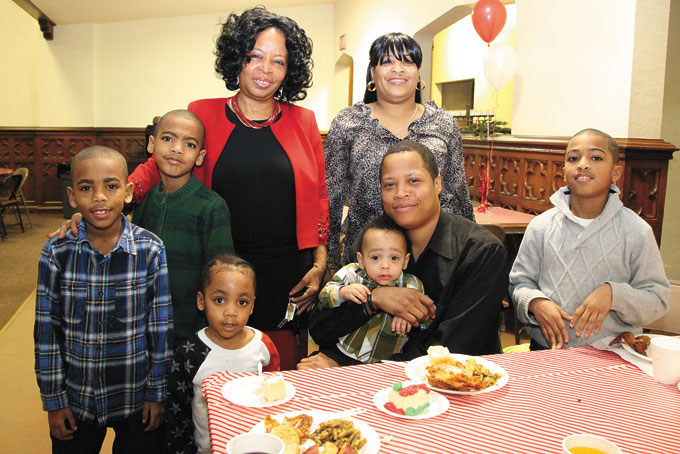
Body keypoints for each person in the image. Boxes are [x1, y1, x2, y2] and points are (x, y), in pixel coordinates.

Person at [55, 7, 328, 370]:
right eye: (255, 56)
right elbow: (160, 164)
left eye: (278, 61)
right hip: (216, 263)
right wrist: (109, 200)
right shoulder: (203, 113)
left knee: (278, 372)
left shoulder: (304, 120)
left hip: (288, 272)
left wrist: (320, 264)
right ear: (238, 59)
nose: (266, 69)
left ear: (289, 69)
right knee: (216, 372)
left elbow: (319, 197)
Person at [300, 141, 507, 369]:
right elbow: (321, 328)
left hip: (450, 385)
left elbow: (452, 350)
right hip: (365, 368)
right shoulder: (372, 242)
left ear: (438, 183)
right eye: (389, 185)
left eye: (413, 181)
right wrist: (373, 300)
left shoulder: (481, 252)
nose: (400, 193)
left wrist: (353, 368)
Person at [34, 146, 172, 453]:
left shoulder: (151, 250)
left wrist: (156, 393)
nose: (99, 197)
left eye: (111, 186)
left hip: (135, 397)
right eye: (87, 188)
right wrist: (53, 402)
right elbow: (46, 334)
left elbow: (160, 328)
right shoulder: (56, 252)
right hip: (77, 399)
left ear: (127, 192)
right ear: (72, 196)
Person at [325, 32, 474, 273]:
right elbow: (330, 197)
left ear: (418, 74)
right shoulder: (348, 122)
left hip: (434, 257)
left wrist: (469, 254)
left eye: (407, 62)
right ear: (373, 73)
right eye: (387, 62)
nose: (398, 69)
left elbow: (457, 195)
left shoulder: (443, 123)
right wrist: (328, 263)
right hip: (368, 260)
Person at [509, 129, 670, 350]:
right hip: (547, 350)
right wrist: (535, 302)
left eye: (596, 157)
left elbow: (656, 300)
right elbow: (519, 283)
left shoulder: (636, 231)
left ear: (616, 173)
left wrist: (614, 295)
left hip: (615, 354)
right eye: (573, 158)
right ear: (564, 170)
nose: (583, 164)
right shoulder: (541, 226)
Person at [131, 109, 234, 344]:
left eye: (189, 145)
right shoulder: (146, 200)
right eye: (168, 139)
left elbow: (221, 274)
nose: (177, 149)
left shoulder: (212, 207)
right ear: (151, 144)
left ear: (200, 156)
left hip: (190, 330)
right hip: (142, 325)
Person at [166, 254, 280, 454]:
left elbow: (275, 401)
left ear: (253, 305)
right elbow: (177, 416)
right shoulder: (190, 354)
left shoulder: (263, 346)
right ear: (201, 301)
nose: (230, 312)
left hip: (256, 447)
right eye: (219, 300)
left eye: (242, 302)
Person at [317, 214, 427, 364]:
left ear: (405, 261)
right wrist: (342, 292)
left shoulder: (411, 285)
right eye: (376, 258)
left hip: (384, 363)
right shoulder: (352, 274)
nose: (385, 265)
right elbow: (324, 295)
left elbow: (426, 319)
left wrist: (408, 313)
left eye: (394, 258)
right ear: (361, 260)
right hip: (344, 352)